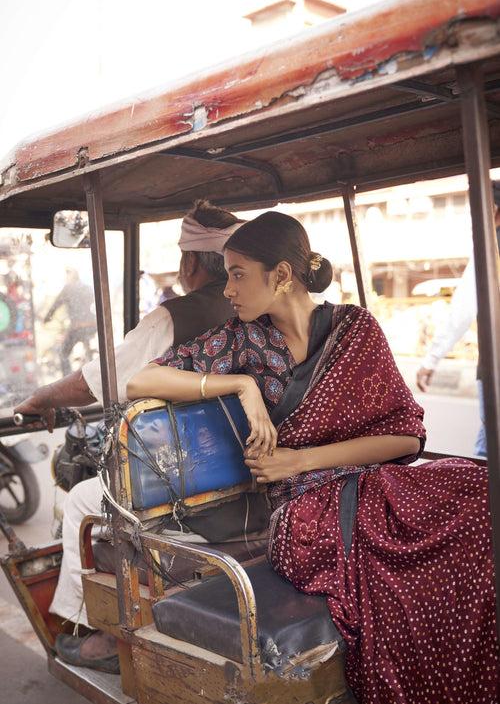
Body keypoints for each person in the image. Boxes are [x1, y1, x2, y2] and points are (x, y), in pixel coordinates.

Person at [128, 211, 499, 704]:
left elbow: (406, 439)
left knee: (481, 495)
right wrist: (239, 385)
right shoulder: (241, 342)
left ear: (281, 275)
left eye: (238, 274)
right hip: (301, 518)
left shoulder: (355, 330)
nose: (229, 289)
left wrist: (300, 459)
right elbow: (141, 380)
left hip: (365, 485)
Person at [14, 200, 271, 673]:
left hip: (191, 485)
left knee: (82, 501)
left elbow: (101, 381)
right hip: (251, 477)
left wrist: (40, 398)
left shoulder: (173, 318)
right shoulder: (258, 314)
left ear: (190, 262)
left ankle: (97, 632)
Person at [416, 180, 500, 457]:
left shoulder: (490, 250)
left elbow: (463, 309)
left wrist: (430, 360)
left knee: (487, 453)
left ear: (494, 212)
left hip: (495, 367)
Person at [44, 268, 97, 375]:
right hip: (93, 326)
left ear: (70, 277)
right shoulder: (88, 288)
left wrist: (47, 318)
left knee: (63, 353)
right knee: (87, 348)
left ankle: (66, 378)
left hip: (78, 327)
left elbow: (56, 305)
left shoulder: (68, 289)